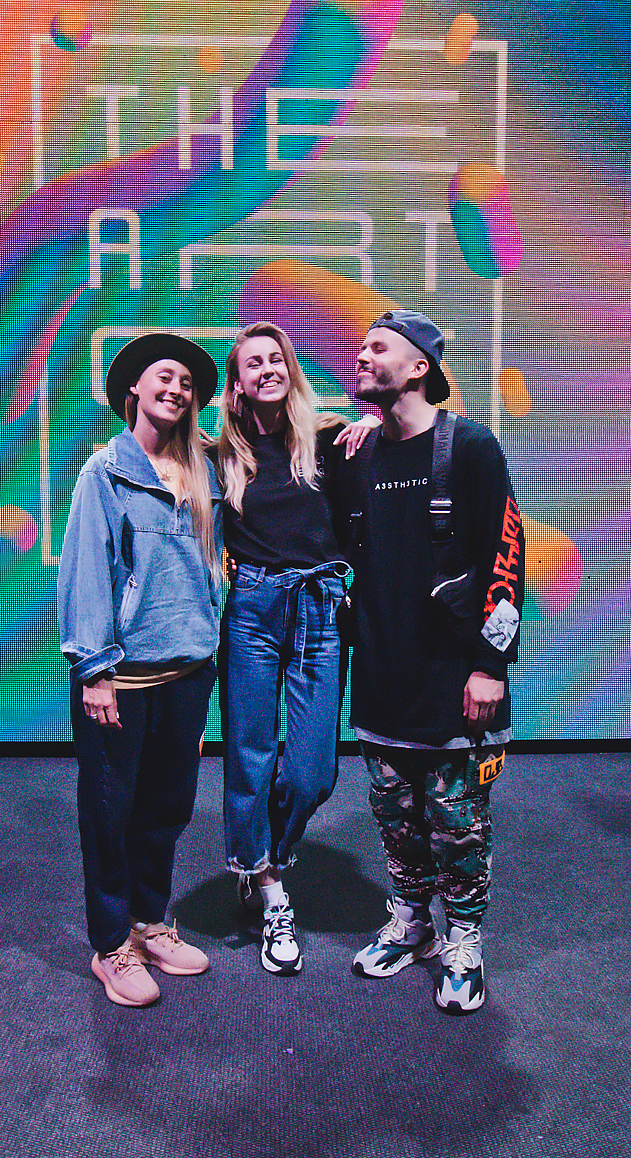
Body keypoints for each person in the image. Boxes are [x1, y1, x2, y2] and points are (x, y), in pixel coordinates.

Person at [340, 309, 525, 1013]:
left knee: (458, 824)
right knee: (396, 819)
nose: (362, 356)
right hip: (381, 680)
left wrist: (490, 666)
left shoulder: (470, 447)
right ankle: (413, 923)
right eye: (361, 347)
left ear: (420, 367)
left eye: (377, 347)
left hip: (457, 682)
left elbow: (506, 554)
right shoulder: (358, 455)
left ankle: (464, 940)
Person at [57, 333, 223, 1008]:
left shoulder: (205, 473)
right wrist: (94, 669)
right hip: (121, 679)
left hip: (188, 672)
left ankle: (150, 922)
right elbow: (85, 572)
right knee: (109, 815)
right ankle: (111, 946)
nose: (176, 389)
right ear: (134, 387)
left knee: (166, 809)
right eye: (165, 376)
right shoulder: (105, 472)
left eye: (186, 382)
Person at [212, 322, 375, 975]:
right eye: (253, 362)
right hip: (253, 608)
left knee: (313, 773)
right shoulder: (221, 454)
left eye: (275, 358)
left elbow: (402, 444)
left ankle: (262, 857)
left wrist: (372, 426)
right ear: (238, 384)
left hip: (319, 607)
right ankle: (270, 887)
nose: (267, 369)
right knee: (249, 755)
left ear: (290, 369)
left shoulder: (329, 439)